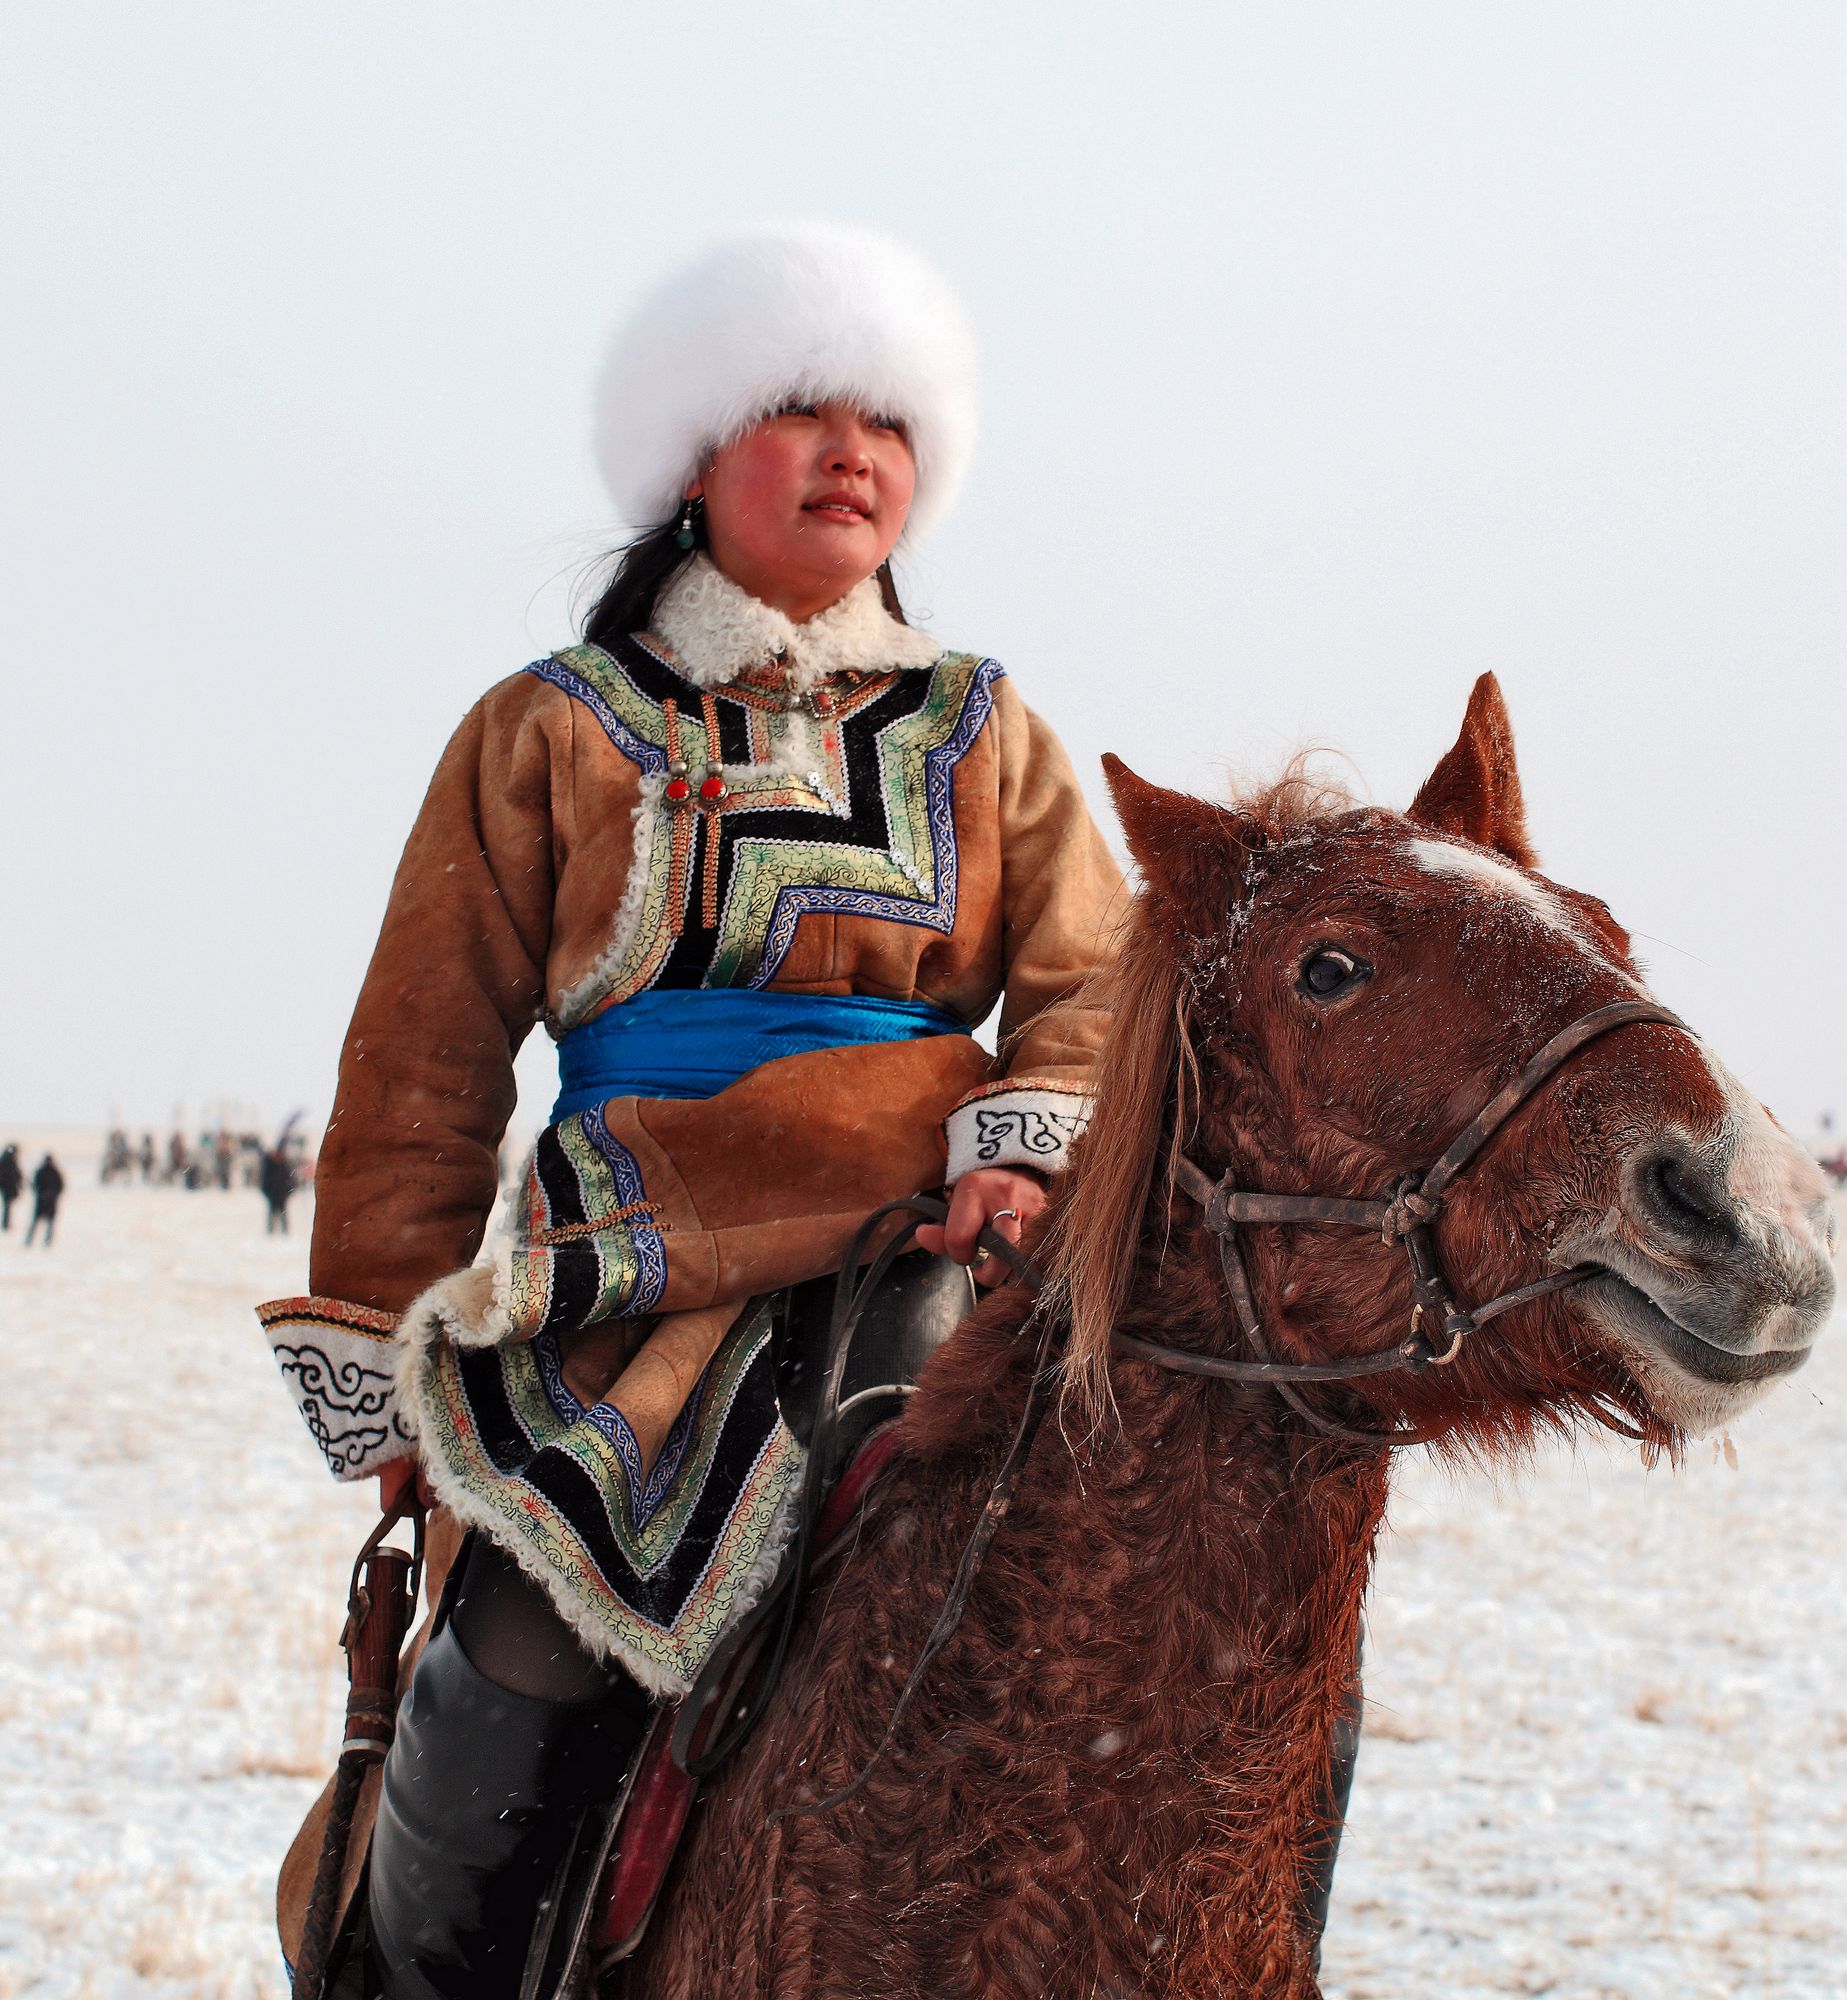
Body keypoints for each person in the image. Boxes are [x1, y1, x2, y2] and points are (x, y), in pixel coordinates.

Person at [258, 225, 1123, 2000]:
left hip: (929, 1261)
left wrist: (1025, 1136)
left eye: (884, 424)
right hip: (622, 1289)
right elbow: (419, 1068)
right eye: (796, 410)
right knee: (523, 1647)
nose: (849, 452)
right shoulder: (551, 731)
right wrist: (383, 1354)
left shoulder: (987, 734)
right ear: (690, 460)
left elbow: (1097, 989)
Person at [25, 1153, 63, 1246]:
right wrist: (52, 1194)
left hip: (43, 1200)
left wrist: (43, 1194)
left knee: (39, 1222)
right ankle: (44, 1241)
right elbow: (60, 1186)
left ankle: (31, 1240)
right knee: (46, 1223)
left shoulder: (43, 1171)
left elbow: (34, 1185)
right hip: (47, 1201)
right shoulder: (54, 1172)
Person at [260, 1144, 297, 1234]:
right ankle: (270, 1231)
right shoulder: (269, 1166)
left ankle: (285, 1231)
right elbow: (264, 1181)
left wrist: (288, 1192)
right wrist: (268, 1193)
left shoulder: (285, 1165)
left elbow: (291, 1180)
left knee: (283, 1214)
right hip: (272, 1195)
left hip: (282, 1194)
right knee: (272, 1214)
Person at [0, 1144, 20, 1229]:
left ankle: (6, 1223)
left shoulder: (9, 1159)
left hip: (7, 1187)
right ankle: (5, 1224)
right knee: (7, 1206)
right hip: (7, 1187)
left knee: (7, 1206)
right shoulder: (8, 1160)